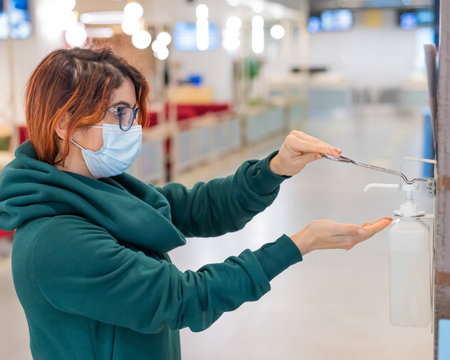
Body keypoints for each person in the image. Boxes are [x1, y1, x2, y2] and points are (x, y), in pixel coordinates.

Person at [0, 48, 392, 360]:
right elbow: (181, 298)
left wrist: (274, 168)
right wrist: (298, 245)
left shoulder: (100, 187)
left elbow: (197, 207)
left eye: (134, 114)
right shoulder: (55, 238)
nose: (132, 129)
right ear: (65, 123)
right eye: (119, 114)